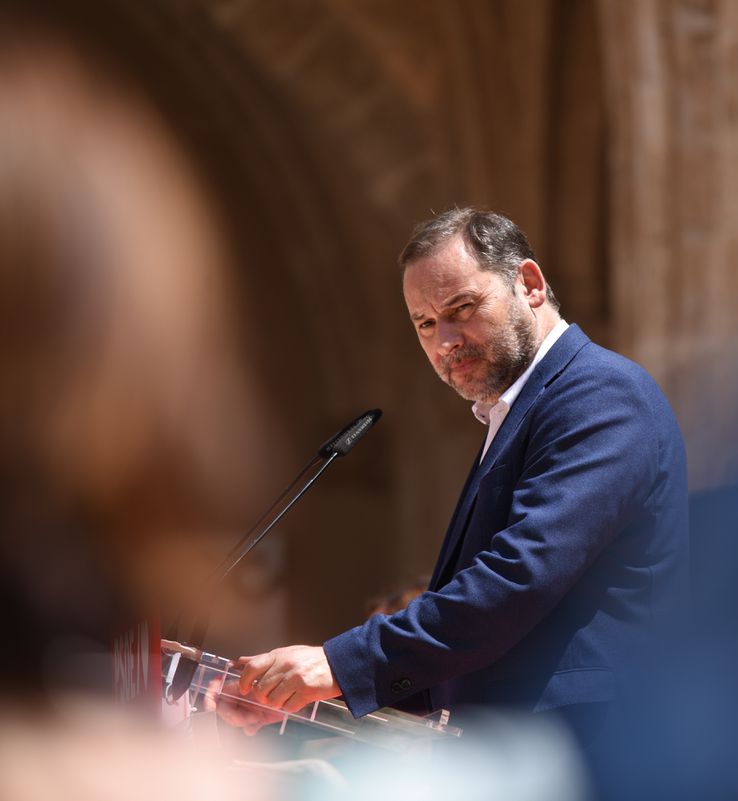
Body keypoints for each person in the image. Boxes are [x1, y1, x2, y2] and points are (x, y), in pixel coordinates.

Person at [230, 208, 689, 736]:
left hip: (593, 748)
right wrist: (298, 692)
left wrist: (339, 666)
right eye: (425, 324)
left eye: (462, 308)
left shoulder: (600, 393)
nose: (445, 340)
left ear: (529, 285)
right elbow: (483, 642)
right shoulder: (520, 410)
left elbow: (519, 578)